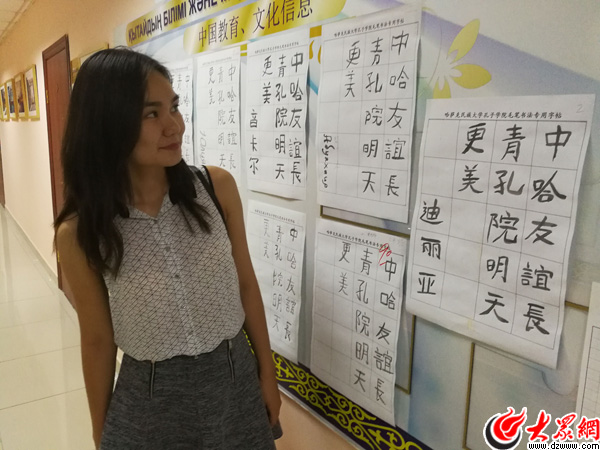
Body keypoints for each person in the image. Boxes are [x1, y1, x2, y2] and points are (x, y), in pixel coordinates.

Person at [54, 48, 281, 449]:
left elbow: (246, 284)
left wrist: (267, 373)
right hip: (149, 401)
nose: (174, 126)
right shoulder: (81, 232)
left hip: (235, 382)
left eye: (173, 107)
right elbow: (97, 338)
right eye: (151, 114)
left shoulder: (215, 188)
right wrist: (100, 431)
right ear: (109, 124)